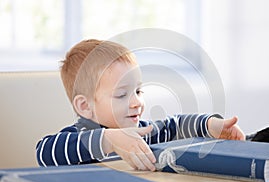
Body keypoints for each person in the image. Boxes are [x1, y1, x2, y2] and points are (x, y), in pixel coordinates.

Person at [36, 39, 245, 171]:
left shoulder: (142, 132)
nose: (136, 102)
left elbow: (175, 126)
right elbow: (44, 152)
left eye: (138, 91)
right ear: (85, 106)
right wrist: (109, 139)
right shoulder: (78, 138)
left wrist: (210, 125)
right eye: (121, 95)